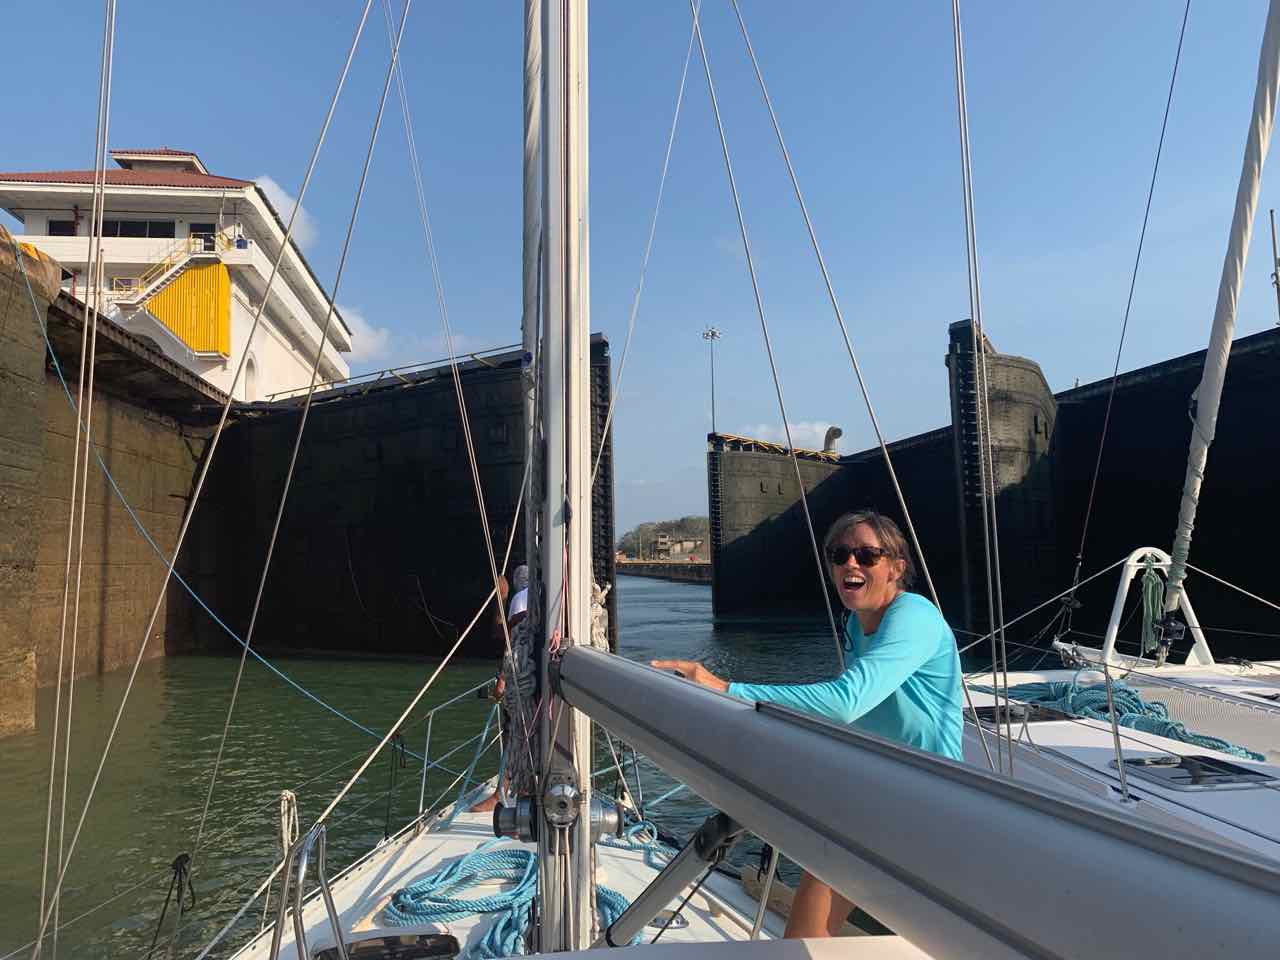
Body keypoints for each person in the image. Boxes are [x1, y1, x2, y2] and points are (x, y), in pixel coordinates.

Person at [653, 510, 963, 939]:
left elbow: (846, 702)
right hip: (887, 785)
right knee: (818, 893)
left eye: (867, 555)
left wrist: (726, 688)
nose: (850, 564)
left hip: (933, 794)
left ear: (896, 567)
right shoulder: (855, 623)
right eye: (840, 554)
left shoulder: (915, 616)